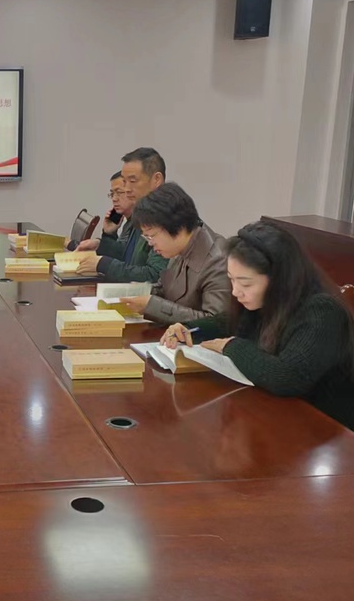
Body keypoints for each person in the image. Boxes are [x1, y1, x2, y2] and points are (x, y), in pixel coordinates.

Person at [161, 220, 354, 430]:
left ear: (279, 279)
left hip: (326, 430)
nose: (235, 291)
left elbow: (287, 377)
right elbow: (226, 322)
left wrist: (231, 347)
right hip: (277, 414)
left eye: (245, 283)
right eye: (231, 280)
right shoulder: (267, 300)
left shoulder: (322, 311)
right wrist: (190, 329)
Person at [119, 182, 229, 325]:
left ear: (178, 226)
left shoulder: (217, 260)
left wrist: (152, 306)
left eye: (152, 236)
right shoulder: (179, 246)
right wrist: (142, 291)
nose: (150, 243)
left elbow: (215, 323)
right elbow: (166, 289)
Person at [76, 147, 168, 282]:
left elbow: (154, 276)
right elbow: (128, 256)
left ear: (156, 180)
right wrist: (102, 243)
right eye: (124, 182)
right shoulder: (141, 213)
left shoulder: (167, 217)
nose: (127, 189)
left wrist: (104, 264)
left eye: (133, 181)